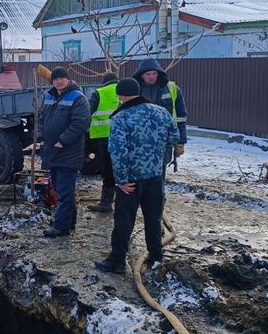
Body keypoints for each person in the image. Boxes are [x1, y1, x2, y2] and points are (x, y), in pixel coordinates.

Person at [94, 77, 179, 274]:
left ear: (121, 96)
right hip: (155, 176)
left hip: (130, 180)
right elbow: (174, 138)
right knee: (153, 218)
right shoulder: (162, 112)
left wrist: (121, 180)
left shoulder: (121, 118)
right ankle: (156, 259)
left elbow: (117, 151)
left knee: (124, 220)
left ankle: (116, 261)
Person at [40, 67, 91, 237]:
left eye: (62, 78)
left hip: (68, 151)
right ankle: (70, 221)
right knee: (61, 189)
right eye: (55, 79)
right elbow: (42, 118)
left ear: (68, 79)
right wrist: (42, 135)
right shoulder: (49, 96)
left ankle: (61, 227)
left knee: (64, 190)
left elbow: (80, 124)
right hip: (52, 150)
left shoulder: (78, 98)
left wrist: (63, 141)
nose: (58, 81)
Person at [132, 58, 188, 182]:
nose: (151, 77)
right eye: (148, 74)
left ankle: (158, 198)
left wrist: (181, 141)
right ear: (141, 75)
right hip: (139, 139)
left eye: (154, 74)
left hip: (163, 139)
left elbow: (181, 117)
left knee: (159, 173)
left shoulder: (172, 89)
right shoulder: (135, 89)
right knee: (139, 173)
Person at [86, 71, 119, 213]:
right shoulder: (126, 90)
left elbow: (86, 112)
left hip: (104, 137)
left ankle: (106, 203)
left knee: (108, 170)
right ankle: (124, 201)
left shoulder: (99, 93)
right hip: (124, 137)